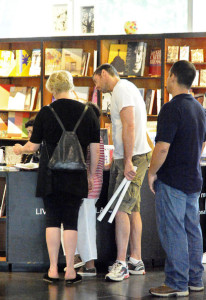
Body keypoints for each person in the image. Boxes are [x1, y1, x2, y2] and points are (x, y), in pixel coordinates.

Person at [13, 70, 100, 284]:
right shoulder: (88, 112)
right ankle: (70, 269)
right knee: (71, 221)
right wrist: (90, 174)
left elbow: (33, 146)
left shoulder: (45, 112)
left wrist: (19, 149)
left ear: (52, 89)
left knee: (52, 220)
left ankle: (53, 269)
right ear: (71, 86)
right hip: (76, 174)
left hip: (50, 175)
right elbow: (95, 149)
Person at [148, 60, 206, 297]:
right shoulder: (200, 108)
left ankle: (176, 282)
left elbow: (162, 148)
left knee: (173, 231)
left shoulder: (171, 108)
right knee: (192, 229)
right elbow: (201, 143)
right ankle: (195, 280)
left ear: (172, 76)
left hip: (172, 179)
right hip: (193, 177)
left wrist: (152, 172)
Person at [93, 63, 152, 282]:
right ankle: (135, 259)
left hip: (132, 158)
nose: (96, 86)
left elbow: (129, 126)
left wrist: (127, 160)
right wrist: (119, 159)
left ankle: (122, 263)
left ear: (105, 74)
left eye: (96, 80)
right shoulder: (122, 90)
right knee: (132, 208)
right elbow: (122, 128)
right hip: (126, 157)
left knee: (120, 208)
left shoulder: (123, 89)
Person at [75, 102, 105, 276]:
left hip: (89, 185)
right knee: (83, 223)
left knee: (85, 224)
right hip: (92, 184)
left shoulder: (91, 136)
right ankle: (83, 262)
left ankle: (89, 265)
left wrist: (89, 176)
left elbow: (91, 161)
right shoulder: (96, 136)